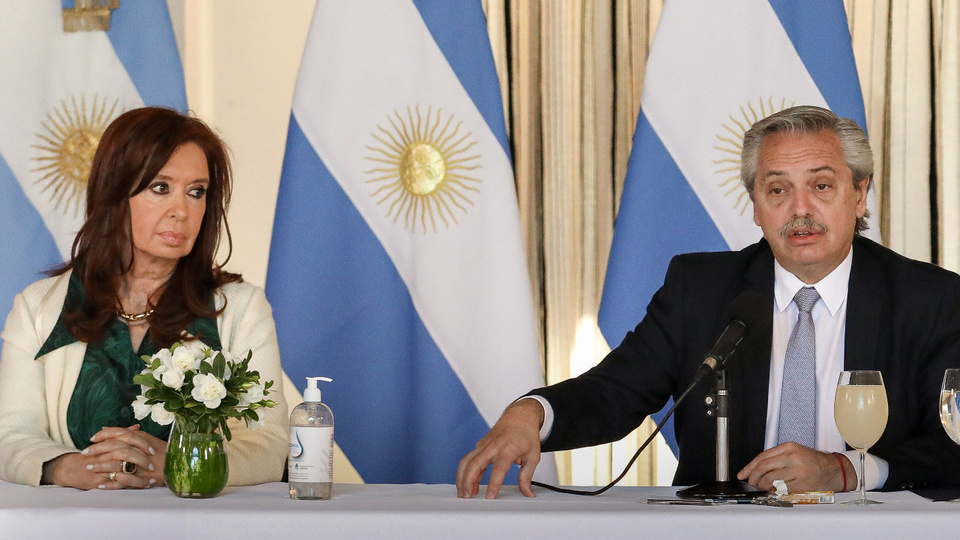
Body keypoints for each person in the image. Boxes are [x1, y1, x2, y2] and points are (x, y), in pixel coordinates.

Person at [457, 105, 960, 499]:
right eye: (777, 190)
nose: (800, 209)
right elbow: (615, 391)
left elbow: (951, 445)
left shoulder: (931, 299)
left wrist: (846, 470)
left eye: (821, 186)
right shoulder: (700, 289)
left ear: (860, 193)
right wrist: (531, 413)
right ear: (756, 207)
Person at [0, 107, 288, 489]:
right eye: (160, 187)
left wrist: (178, 461)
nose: (182, 211)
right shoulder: (39, 306)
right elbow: (10, 435)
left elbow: (269, 445)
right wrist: (71, 468)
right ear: (114, 192)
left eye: (196, 192)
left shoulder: (242, 307)